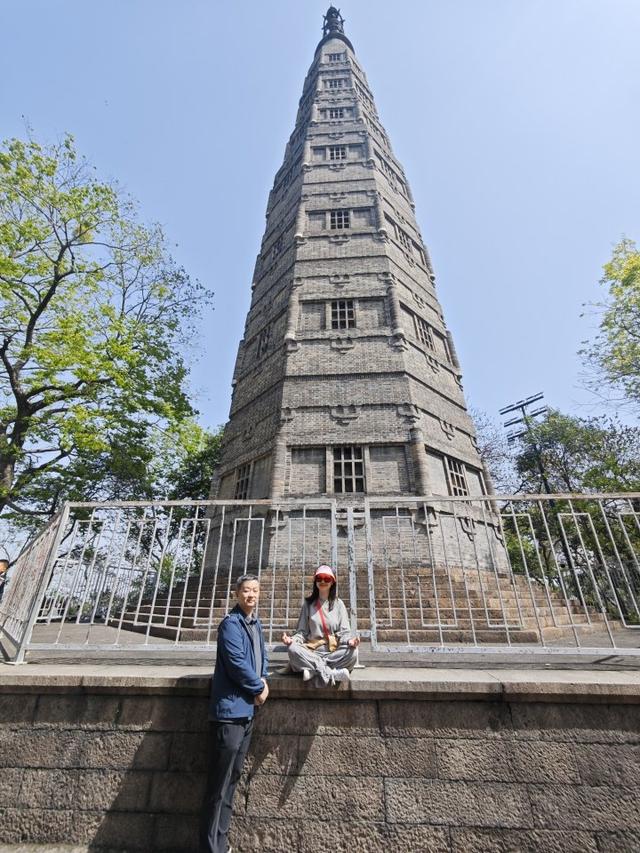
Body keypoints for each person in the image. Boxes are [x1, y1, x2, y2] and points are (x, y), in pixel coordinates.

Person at [200, 574, 269, 853]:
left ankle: (222, 843)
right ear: (236, 594)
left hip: (247, 713)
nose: (250, 595)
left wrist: (263, 680)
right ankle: (209, 848)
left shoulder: (255, 624)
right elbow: (236, 662)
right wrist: (259, 687)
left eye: (255, 590)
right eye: (246, 591)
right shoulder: (231, 625)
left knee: (231, 782)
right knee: (217, 787)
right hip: (229, 713)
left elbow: (260, 658)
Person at [282, 565, 360, 686]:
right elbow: (302, 632)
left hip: (333, 651)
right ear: (315, 581)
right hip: (312, 651)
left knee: (353, 653)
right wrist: (292, 640)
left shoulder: (339, 604)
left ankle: (314, 670)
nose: (323, 581)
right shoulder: (308, 604)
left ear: (332, 582)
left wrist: (350, 641)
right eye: (319, 578)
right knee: (293, 650)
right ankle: (331, 672)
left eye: (326, 578)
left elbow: (344, 632)